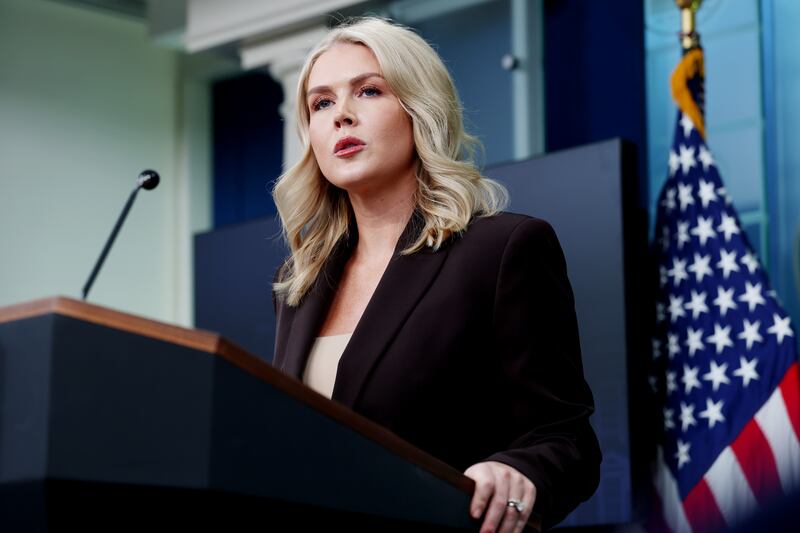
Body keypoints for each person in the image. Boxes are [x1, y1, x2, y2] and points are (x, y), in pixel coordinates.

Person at [270, 17, 601, 532]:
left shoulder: (502, 249)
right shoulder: (301, 282)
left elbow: (567, 439)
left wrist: (516, 471)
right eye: (322, 103)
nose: (342, 117)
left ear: (418, 106)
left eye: (369, 91)